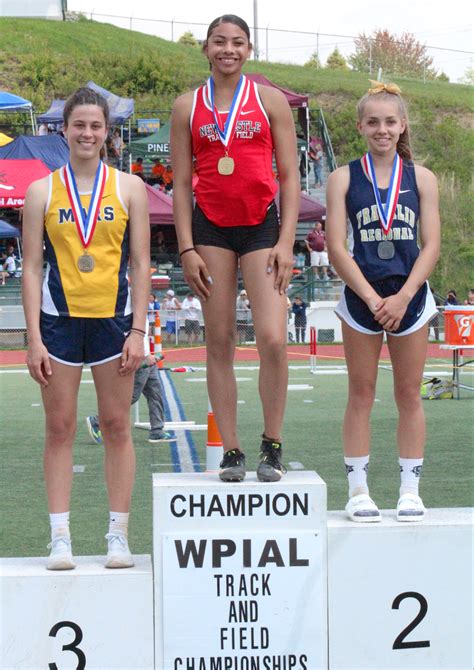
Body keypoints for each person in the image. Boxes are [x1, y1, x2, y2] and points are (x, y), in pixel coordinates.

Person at [22, 87, 150, 570]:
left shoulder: (129, 188)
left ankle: (118, 533)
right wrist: (33, 337)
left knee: (117, 425)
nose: (88, 133)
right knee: (60, 427)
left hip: (114, 322)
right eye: (79, 125)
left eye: (96, 126)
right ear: (65, 129)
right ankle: (59, 536)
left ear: (106, 132)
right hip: (57, 323)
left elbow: (140, 263)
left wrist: (138, 330)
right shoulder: (41, 191)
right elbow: (32, 268)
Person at [171, 14, 300, 483]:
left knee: (271, 337)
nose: (228, 49)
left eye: (237, 42)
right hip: (211, 230)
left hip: (262, 226)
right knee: (219, 340)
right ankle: (231, 450)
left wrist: (287, 241)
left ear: (249, 49)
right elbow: (182, 182)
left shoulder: (269, 101)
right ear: (205, 48)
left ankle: (272, 443)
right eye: (219, 41)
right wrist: (186, 248)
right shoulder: (187, 105)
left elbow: (289, 175)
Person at [326, 81, 440, 523]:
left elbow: (430, 245)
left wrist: (405, 295)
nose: (382, 129)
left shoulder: (422, 178)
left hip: (410, 298)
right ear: (360, 126)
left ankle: (410, 489)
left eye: (390, 121)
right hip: (362, 298)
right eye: (373, 121)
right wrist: (374, 299)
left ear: (402, 125)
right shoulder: (344, 177)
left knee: (409, 393)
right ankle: (358, 490)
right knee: (361, 392)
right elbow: (337, 247)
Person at [86, 326, 176, 445]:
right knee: (131, 396)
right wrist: (145, 355)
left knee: (155, 394)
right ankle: (97, 421)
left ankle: (157, 431)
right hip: (141, 358)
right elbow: (137, 332)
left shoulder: (145, 311)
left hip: (147, 358)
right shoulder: (137, 310)